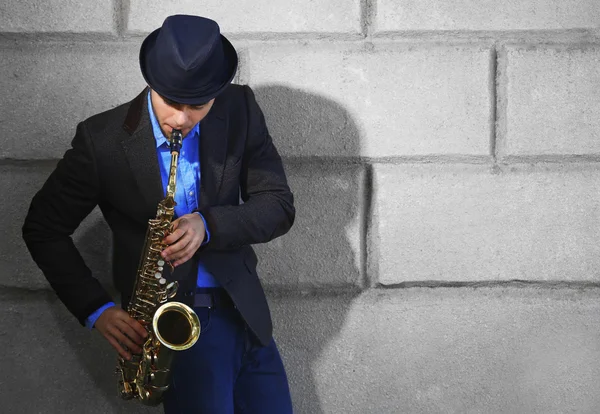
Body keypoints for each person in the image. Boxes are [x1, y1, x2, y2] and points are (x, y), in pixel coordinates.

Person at [22, 14, 295, 414]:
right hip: (173, 333)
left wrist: (209, 224)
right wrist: (96, 309)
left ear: (218, 92)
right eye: (171, 102)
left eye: (198, 105)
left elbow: (277, 204)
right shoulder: (102, 140)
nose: (181, 119)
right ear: (152, 81)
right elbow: (43, 228)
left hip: (246, 317)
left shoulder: (241, 109)